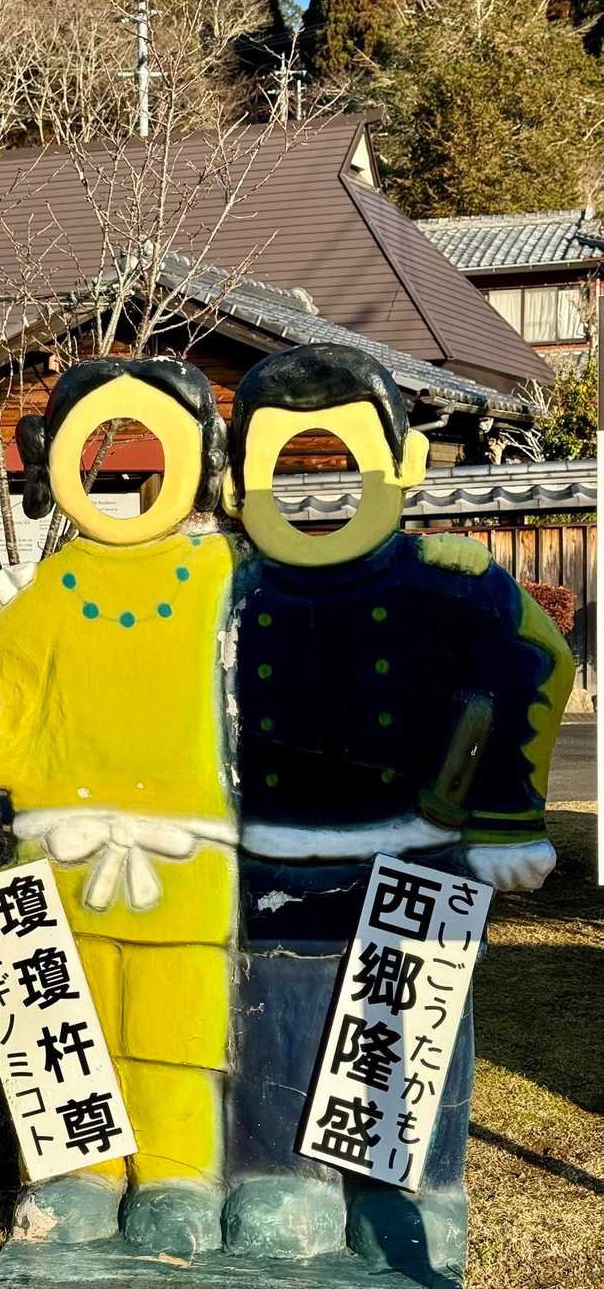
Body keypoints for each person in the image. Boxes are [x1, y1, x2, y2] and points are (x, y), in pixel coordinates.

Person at [219, 343, 574, 1278]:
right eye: (282, 462)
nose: (312, 489)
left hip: (416, 854)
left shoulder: (447, 582)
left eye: (340, 457)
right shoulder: (224, 590)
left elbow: (536, 662)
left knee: (410, 1023)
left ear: (405, 464)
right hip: (267, 860)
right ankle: (278, 1174)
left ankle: (410, 1187)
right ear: (238, 480)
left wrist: (506, 815)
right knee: (275, 1014)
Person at [0, 356, 241, 1255]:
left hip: (191, 860)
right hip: (62, 857)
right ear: (51, 458)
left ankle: (178, 1167)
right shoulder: (48, 598)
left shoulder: (227, 580)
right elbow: (9, 713)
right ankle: (77, 1171)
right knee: (69, 1016)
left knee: (177, 1023)